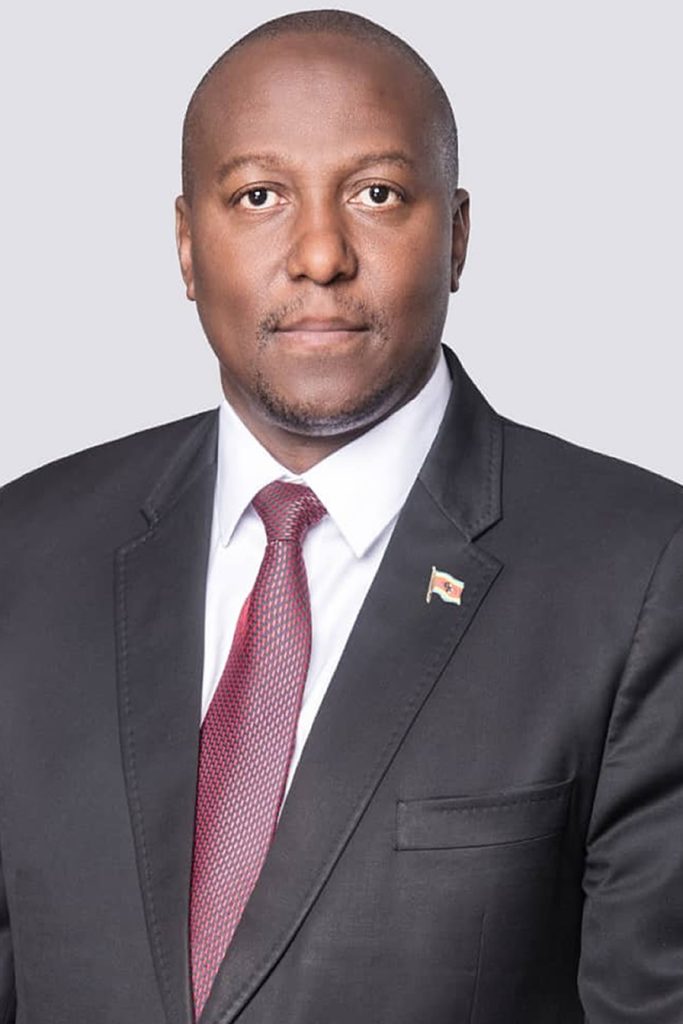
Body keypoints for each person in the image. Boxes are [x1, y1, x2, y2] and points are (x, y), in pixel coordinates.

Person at [1, 8, 683, 1023]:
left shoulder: (641, 571)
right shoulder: (25, 552)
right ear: (186, 246)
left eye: (375, 194)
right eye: (259, 196)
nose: (319, 254)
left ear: (455, 237)